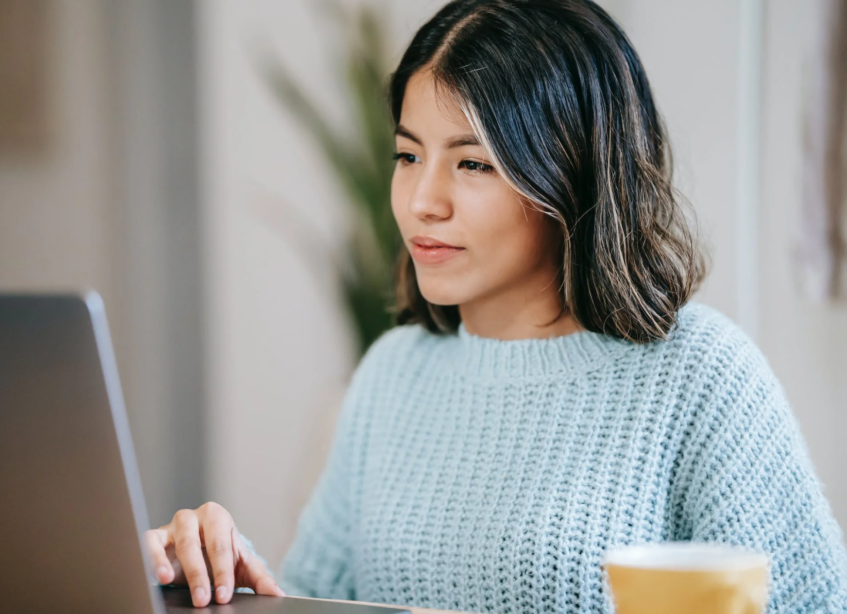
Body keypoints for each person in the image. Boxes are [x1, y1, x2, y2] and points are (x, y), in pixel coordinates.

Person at [145, 1, 847, 612]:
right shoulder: (393, 375)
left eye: (472, 163)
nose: (423, 201)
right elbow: (318, 597)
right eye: (408, 155)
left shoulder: (699, 376)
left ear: (570, 173)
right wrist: (215, 582)